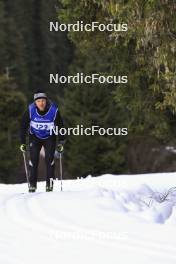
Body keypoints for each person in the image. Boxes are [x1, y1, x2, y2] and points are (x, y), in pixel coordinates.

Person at [20, 90, 65, 192]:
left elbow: (61, 126)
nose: (41, 103)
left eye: (43, 100)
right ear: (35, 102)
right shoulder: (30, 110)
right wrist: (22, 142)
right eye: (39, 101)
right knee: (34, 160)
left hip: (50, 137)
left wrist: (61, 142)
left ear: (46, 101)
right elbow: (23, 126)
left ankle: (50, 184)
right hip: (35, 137)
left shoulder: (54, 111)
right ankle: (32, 185)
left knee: (50, 160)